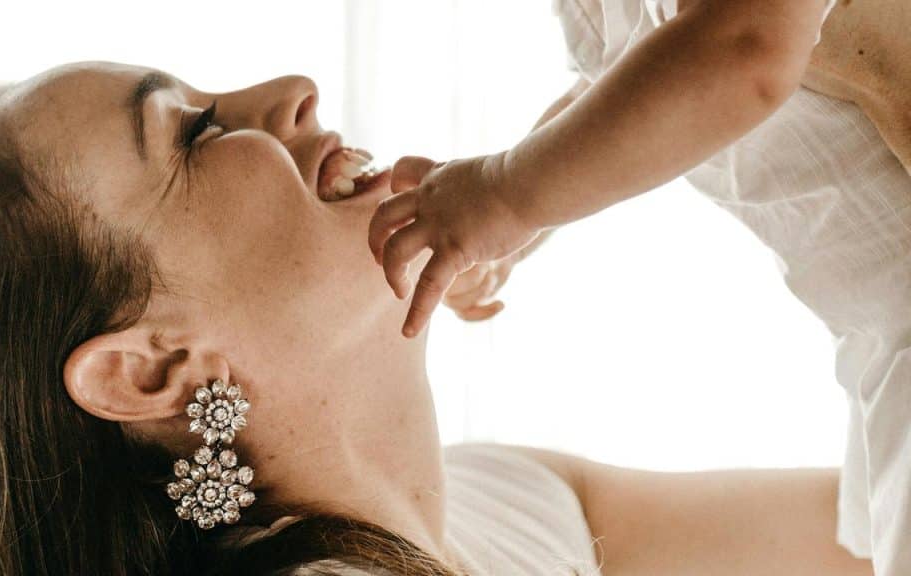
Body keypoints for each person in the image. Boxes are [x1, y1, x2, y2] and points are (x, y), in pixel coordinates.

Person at [0, 62, 873, 576]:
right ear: (153, 372)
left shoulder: (498, 502)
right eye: (193, 130)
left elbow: (881, 537)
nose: (288, 93)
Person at [368, 0, 910, 575]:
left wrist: (505, 193)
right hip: (881, 334)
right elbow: (629, 76)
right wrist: (513, 221)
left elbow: (745, 49)